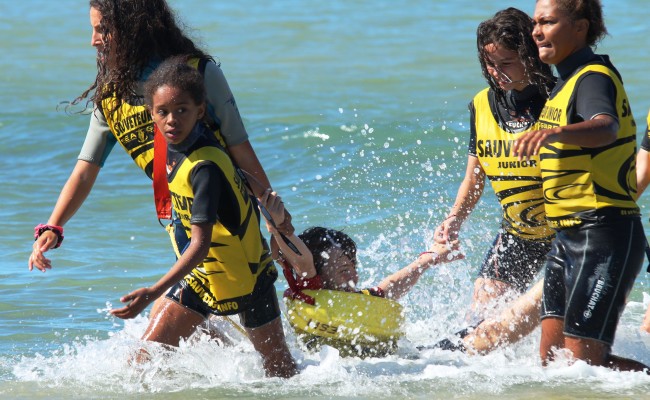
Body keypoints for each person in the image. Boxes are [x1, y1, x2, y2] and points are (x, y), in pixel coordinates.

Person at [29, 0, 291, 273]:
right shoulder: (111, 97)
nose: (93, 41)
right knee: (219, 312)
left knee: (206, 309)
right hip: (180, 223)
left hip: (231, 217)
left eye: (103, 30)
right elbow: (85, 169)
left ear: (133, 28)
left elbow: (239, 146)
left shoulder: (199, 74)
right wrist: (54, 226)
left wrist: (273, 214)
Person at [109, 57, 296, 378]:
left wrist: (151, 292)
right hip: (203, 279)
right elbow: (242, 177)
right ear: (150, 114)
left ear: (200, 110)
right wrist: (269, 209)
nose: (171, 120)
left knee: (281, 373)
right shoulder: (183, 145)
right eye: (162, 112)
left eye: (182, 110)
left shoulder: (204, 168)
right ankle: (212, 340)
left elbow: (200, 244)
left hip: (248, 279)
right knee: (141, 362)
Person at [514, 0, 648, 372]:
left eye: (548, 22)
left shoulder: (591, 77)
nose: (537, 31)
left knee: (583, 366)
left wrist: (554, 133)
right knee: (551, 363)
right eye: (535, 23)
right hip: (567, 239)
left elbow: (606, 127)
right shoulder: (563, 83)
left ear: (581, 27)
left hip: (603, 234)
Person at [432, 8, 556, 350]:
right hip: (519, 234)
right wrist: (454, 218)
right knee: (480, 325)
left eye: (506, 62)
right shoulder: (482, 104)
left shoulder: (560, 99)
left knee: (555, 331)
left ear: (530, 56)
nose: (495, 72)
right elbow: (474, 177)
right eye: (489, 63)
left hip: (568, 232)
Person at [257, 189, 464, 355]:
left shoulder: (357, 300)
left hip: (383, 361)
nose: (353, 276)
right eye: (344, 270)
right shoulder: (310, 285)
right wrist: (278, 228)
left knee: (456, 344)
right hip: (336, 368)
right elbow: (298, 259)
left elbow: (390, 286)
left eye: (354, 268)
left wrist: (430, 258)